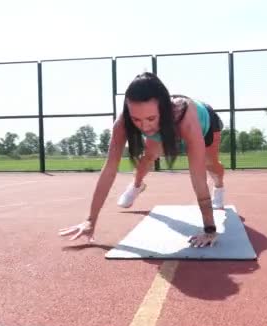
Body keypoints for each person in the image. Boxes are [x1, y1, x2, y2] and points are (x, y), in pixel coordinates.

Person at [58, 72, 226, 248]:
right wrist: (90, 220)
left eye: (151, 118)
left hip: (206, 124)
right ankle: (137, 185)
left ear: (163, 110)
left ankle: (219, 186)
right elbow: (109, 169)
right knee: (147, 157)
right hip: (166, 126)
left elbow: (197, 175)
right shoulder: (123, 122)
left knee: (210, 165)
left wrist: (209, 228)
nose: (145, 126)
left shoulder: (185, 117)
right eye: (136, 119)